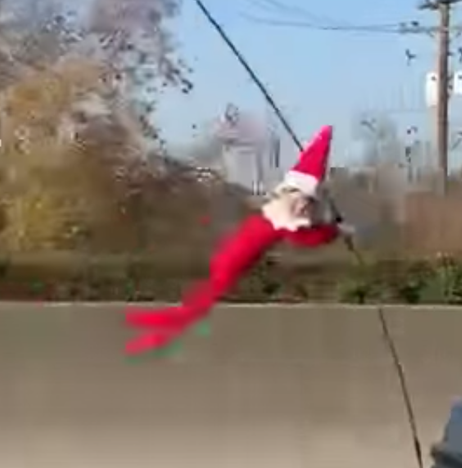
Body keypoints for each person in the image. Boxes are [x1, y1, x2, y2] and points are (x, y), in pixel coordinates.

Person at [124, 125, 351, 355]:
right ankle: (153, 336)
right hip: (234, 261)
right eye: (307, 202)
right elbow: (308, 237)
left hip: (231, 254)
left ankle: (154, 328)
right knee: (199, 305)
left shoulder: (281, 202)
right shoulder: (287, 215)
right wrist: (334, 230)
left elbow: (307, 218)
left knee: (199, 302)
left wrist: (329, 225)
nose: (306, 206)